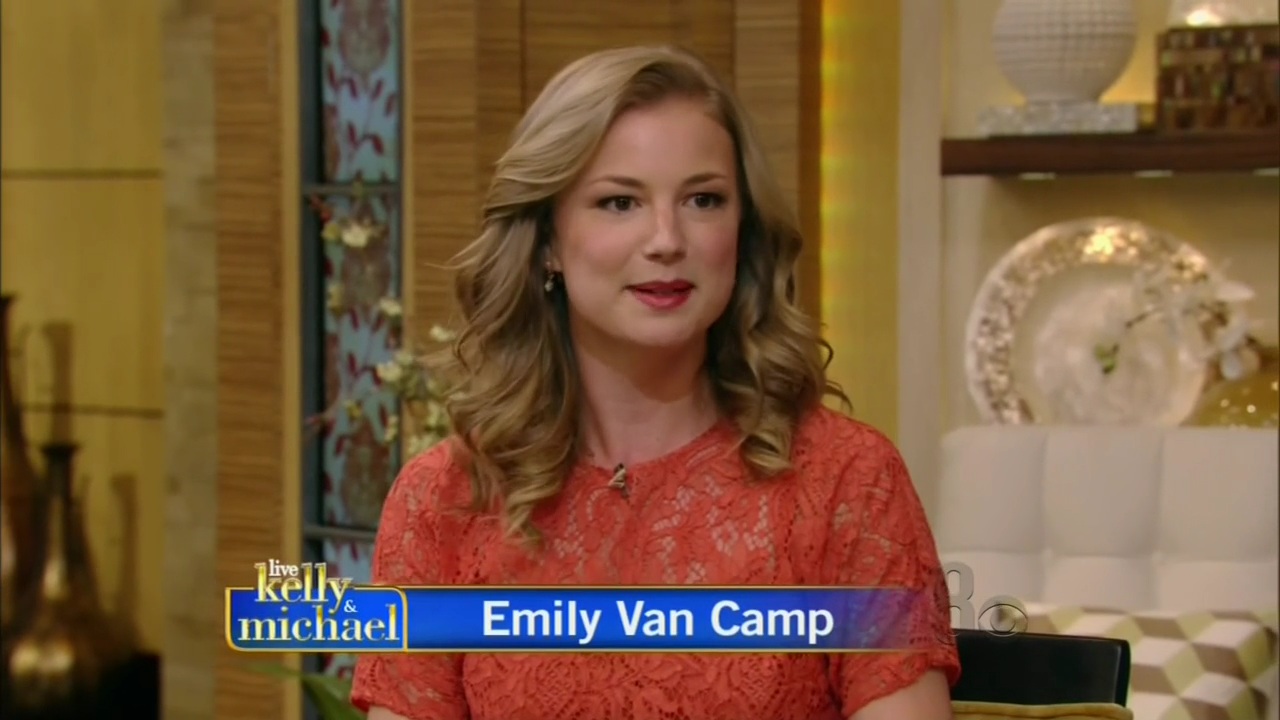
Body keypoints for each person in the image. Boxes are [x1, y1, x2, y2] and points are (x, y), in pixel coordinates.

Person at [351, 45, 960, 720]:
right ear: (547, 241)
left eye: (703, 200)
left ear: (742, 231)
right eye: (620, 202)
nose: (667, 239)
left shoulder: (848, 481)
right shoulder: (445, 501)